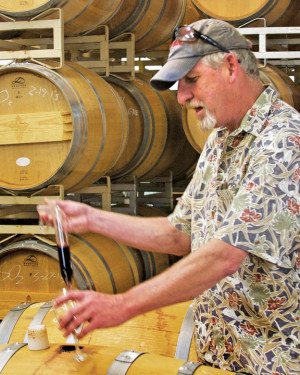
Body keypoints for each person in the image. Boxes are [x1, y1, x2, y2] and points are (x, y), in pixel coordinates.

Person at [38, 19, 300, 375]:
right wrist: (91, 218)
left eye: (191, 80)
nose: (181, 96)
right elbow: (179, 234)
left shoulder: (283, 141)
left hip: (273, 363)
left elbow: (225, 256)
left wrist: (123, 305)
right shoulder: (219, 142)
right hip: (222, 359)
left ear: (230, 66)